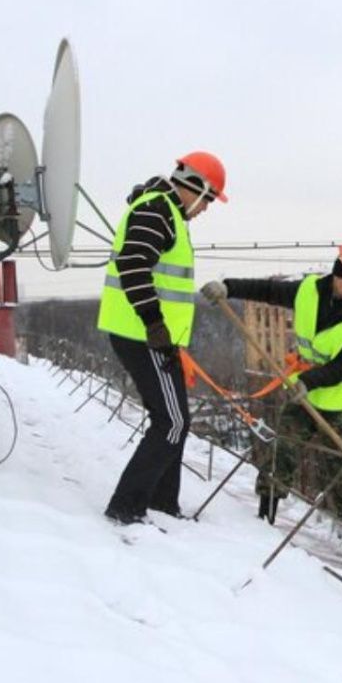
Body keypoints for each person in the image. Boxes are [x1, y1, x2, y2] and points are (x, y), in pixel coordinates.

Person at [201, 241, 342, 557]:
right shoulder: (308, 291)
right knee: (281, 451)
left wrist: (309, 381)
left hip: (338, 402)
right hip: (302, 396)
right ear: (339, 272)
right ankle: (265, 515)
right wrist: (228, 288)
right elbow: (269, 291)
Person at [98, 152, 228, 526]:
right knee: (171, 422)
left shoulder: (165, 211)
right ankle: (127, 507)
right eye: (208, 199)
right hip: (142, 335)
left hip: (153, 336)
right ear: (197, 187)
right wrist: (155, 325)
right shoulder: (157, 210)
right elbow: (133, 264)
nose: (206, 209)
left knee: (175, 421)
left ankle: (161, 505)